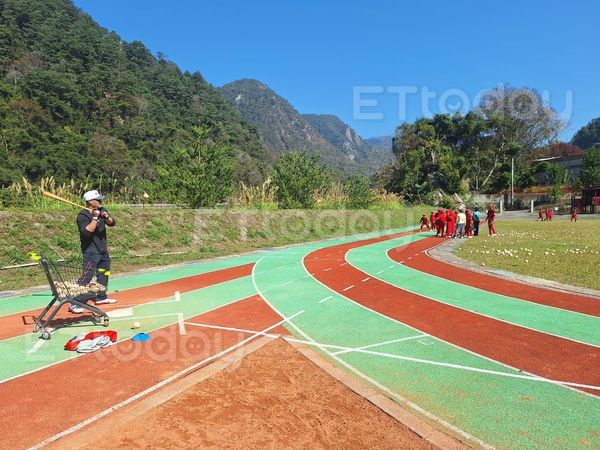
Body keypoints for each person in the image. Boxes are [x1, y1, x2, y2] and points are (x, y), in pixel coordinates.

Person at [72, 190, 117, 314]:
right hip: (91, 251)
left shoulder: (103, 209)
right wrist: (95, 217)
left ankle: (101, 296)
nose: (101, 201)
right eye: (98, 199)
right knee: (87, 276)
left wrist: (106, 216)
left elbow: (112, 223)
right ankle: (75, 302)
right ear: (90, 202)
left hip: (103, 249)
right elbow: (87, 232)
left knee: (104, 273)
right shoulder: (83, 215)